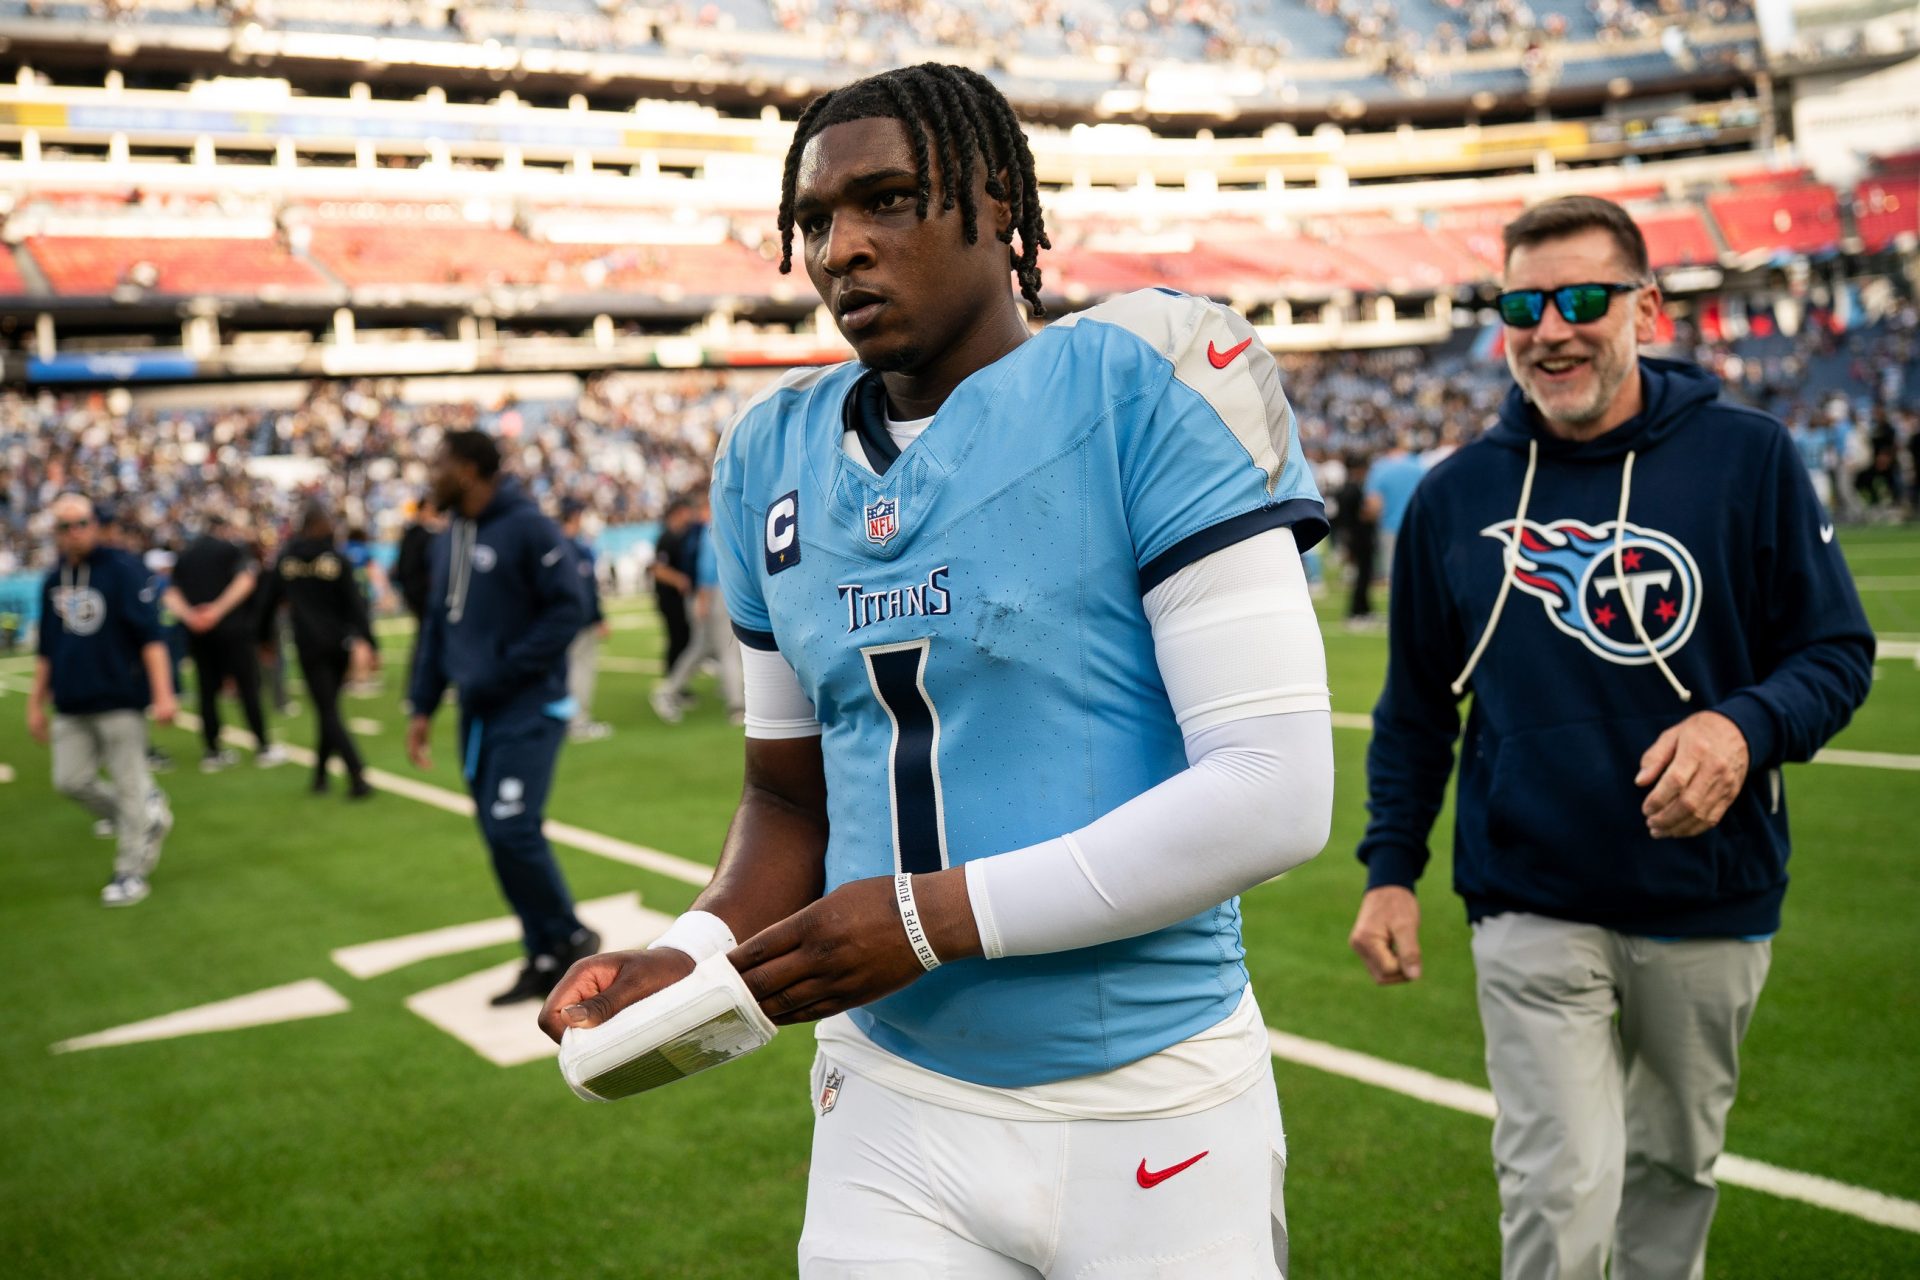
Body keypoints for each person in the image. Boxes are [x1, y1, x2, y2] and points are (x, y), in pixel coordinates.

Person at [542, 64, 1333, 1277]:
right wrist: (692, 953)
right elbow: (787, 799)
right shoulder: (769, 452)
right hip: (888, 1098)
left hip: (1149, 1096)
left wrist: (928, 915)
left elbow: (1275, 786)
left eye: (889, 200)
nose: (842, 248)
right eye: (814, 221)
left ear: (1001, 199)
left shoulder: (1155, 372)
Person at [1347, 195, 1875, 1280]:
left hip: (1709, 894)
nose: (1552, 328)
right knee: (1557, 1187)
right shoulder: (1456, 498)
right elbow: (1413, 710)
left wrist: (1744, 726)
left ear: (1645, 307)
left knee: (1674, 1172)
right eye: (1524, 304)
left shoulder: (1751, 457)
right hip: (1531, 899)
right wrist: (1390, 869)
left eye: (1583, 299)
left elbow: (1835, 653)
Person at [405, 430, 601, 1005]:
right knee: (498, 833)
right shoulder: (450, 538)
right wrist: (422, 704)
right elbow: (438, 628)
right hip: (478, 715)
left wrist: (507, 669)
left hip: (529, 706)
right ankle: (544, 951)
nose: (430, 472)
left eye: (438, 463)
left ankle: (569, 935)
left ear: (468, 470)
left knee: (513, 826)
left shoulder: (528, 527)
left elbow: (570, 609)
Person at [26, 494, 177, 906]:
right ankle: (145, 817)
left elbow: (151, 638)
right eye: (64, 526)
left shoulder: (123, 570)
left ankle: (130, 872)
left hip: (119, 697)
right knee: (70, 781)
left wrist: (163, 693)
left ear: (94, 524)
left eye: (80, 524)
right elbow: (46, 647)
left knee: (129, 784)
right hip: (72, 702)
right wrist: (35, 702)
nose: (73, 533)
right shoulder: (54, 579)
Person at [256, 502, 377, 799]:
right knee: (329, 707)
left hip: (309, 644)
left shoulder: (287, 559)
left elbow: (267, 600)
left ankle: (342, 774)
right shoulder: (336, 559)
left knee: (327, 709)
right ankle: (339, 774)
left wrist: (263, 638)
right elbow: (355, 604)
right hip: (338, 643)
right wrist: (370, 641)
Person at [167, 514, 283, 772]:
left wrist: (192, 616)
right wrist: (217, 611)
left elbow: (171, 592)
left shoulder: (186, 554)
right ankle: (263, 745)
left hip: (199, 632)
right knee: (248, 688)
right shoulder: (232, 549)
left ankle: (212, 750)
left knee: (207, 691)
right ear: (222, 528)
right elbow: (245, 581)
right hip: (233, 630)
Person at [647, 495, 743, 725]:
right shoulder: (709, 529)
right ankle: (737, 706)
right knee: (728, 650)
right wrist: (703, 597)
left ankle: (668, 690)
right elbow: (708, 567)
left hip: (706, 594)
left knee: (702, 647)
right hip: (712, 593)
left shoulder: (697, 531)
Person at [559, 499, 613, 742]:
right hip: (576, 621)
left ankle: (566, 719)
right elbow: (585, 589)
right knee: (581, 670)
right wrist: (597, 618)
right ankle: (577, 722)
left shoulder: (555, 546)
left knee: (567, 670)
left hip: (561, 620)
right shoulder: (573, 549)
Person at [393, 495, 445, 701]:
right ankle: (418, 689)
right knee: (427, 642)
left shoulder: (410, 535)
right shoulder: (424, 536)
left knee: (426, 640)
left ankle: (420, 687)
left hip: (415, 595)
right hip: (423, 596)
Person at [648, 497, 697, 676]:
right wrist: (680, 580)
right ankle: (672, 682)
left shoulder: (680, 536)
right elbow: (658, 569)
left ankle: (677, 682)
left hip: (677, 598)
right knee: (677, 639)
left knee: (683, 638)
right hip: (669, 599)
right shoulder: (667, 537)